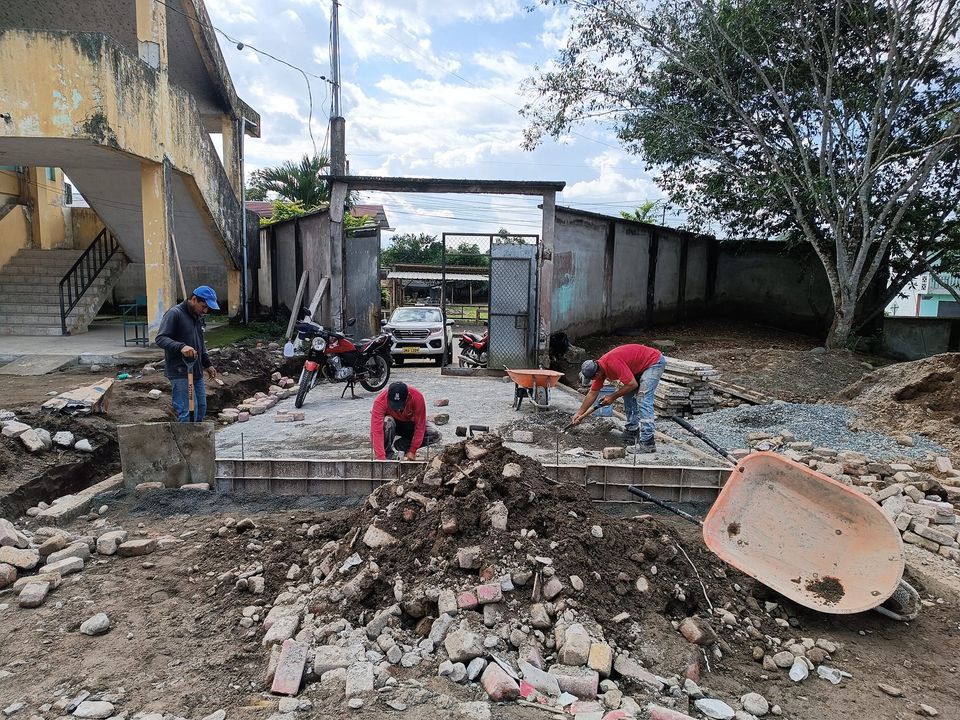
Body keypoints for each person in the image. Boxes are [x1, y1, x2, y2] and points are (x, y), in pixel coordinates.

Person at [570, 343, 666, 452]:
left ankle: (647, 442)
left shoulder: (612, 362)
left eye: (593, 378)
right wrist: (579, 413)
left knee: (643, 398)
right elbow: (592, 393)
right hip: (638, 367)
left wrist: (612, 397)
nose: (593, 381)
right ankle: (632, 431)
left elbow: (632, 384)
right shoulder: (599, 368)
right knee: (628, 396)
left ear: (596, 374)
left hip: (653, 362)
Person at [154, 286, 219, 422]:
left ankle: (196, 435)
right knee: (187, 412)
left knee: (201, 408)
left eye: (207, 308)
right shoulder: (174, 314)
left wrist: (207, 364)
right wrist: (181, 347)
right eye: (204, 306)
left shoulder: (197, 316)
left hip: (196, 370)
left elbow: (200, 343)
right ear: (194, 299)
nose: (205, 311)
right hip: (180, 371)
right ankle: (186, 435)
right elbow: (160, 338)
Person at [371, 381, 442, 460]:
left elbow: (420, 426)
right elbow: (376, 430)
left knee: (435, 434)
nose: (398, 409)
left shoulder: (417, 397)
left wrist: (413, 450)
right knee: (387, 421)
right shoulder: (380, 401)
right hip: (393, 424)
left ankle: (402, 446)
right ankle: (387, 455)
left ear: (408, 397)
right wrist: (380, 457)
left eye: (400, 405)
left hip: (410, 424)